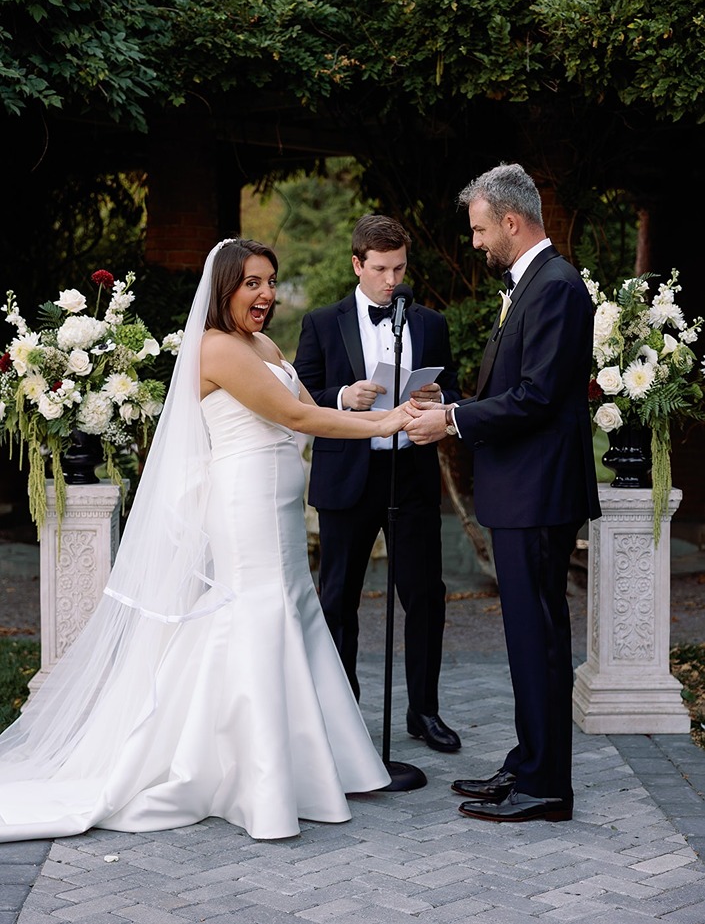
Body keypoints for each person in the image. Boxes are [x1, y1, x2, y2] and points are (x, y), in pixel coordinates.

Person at [0, 238, 412, 843]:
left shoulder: (264, 345)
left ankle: (312, 765)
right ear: (224, 288)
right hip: (245, 503)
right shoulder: (216, 348)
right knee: (255, 612)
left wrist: (384, 405)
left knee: (289, 610)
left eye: (271, 281)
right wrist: (387, 423)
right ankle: (251, 778)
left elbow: (308, 403)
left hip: (278, 505)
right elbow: (296, 419)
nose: (267, 294)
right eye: (252, 283)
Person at [404, 163, 601, 822]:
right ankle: (528, 761)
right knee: (525, 636)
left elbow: (540, 396)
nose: (476, 242)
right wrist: (453, 400)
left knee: (538, 637)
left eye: (480, 229)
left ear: (511, 222)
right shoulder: (532, 285)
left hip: (537, 492)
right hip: (521, 489)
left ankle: (547, 786)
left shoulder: (556, 287)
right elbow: (512, 389)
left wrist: (452, 420)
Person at [293, 214, 462, 753]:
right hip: (348, 476)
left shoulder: (431, 323)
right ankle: (342, 715)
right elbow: (299, 398)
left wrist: (437, 401)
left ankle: (424, 711)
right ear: (357, 264)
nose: (392, 280)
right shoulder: (323, 322)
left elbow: (450, 388)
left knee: (425, 596)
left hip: (409, 474)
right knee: (338, 598)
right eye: (382, 269)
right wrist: (343, 398)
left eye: (400, 268)